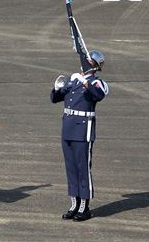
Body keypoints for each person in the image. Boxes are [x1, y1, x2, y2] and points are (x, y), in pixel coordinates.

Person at [50, 50, 108, 222]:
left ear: (94, 65)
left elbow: (99, 95)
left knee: (83, 169)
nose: (84, 62)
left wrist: (85, 82)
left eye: (88, 61)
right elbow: (55, 98)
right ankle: (73, 204)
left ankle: (84, 207)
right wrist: (56, 87)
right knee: (71, 168)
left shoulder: (97, 82)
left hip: (83, 130)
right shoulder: (73, 79)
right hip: (68, 128)